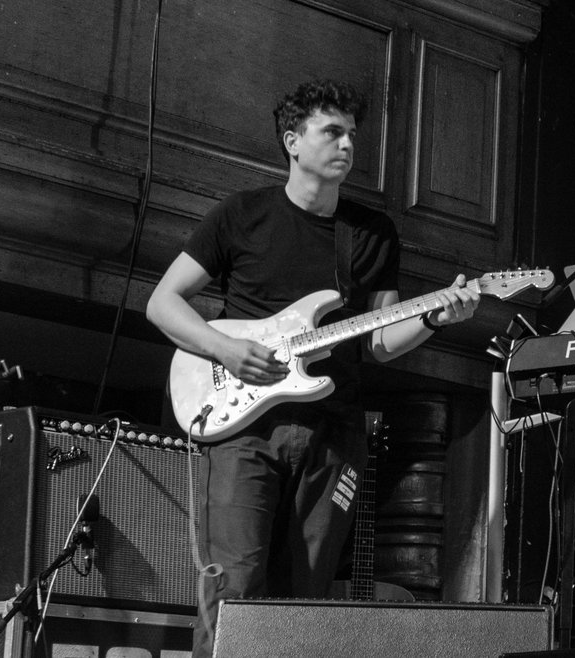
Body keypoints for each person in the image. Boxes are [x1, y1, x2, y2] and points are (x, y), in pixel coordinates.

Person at [145, 79, 480, 658]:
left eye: (353, 133)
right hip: (243, 430)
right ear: (292, 141)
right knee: (233, 591)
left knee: (304, 606)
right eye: (332, 131)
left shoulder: (371, 234)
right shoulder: (242, 214)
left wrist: (435, 319)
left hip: (334, 431)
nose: (348, 144)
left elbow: (375, 344)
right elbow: (162, 303)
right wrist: (224, 350)